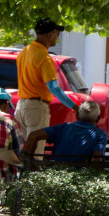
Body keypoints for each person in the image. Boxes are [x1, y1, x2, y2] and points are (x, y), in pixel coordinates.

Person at [16, 17, 79, 156]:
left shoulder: (24, 51)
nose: (57, 37)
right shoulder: (44, 57)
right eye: (57, 33)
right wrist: (75, 107)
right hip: (36, 108)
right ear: (50, 34)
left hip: (21, 106)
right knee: (36, 154)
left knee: (25, 153)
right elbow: (54, 88)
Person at [23, 101, 107, 161]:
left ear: (77, 115)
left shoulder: (63, 128)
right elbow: (97, 158)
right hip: (82, 175)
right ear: (98, 118)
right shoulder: (100, 134)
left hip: (57, 172)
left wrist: (30, 162)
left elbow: (33, 136)